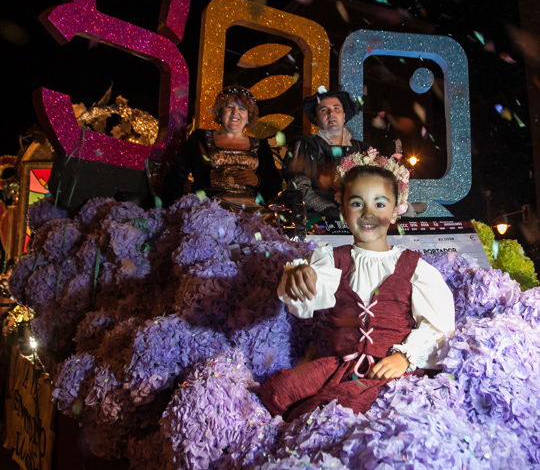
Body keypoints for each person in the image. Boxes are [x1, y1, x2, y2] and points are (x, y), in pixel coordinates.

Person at [259, 149, 455, 421]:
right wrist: (300, 277)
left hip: (389, 371)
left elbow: (439, 327)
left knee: (337, 407)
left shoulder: (415, 268)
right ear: (342, 210)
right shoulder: (331, 258)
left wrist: (406, 357)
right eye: (357, 204)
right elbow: (311, 294)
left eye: (379, 204)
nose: (368, 214)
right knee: (277, 392)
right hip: (339, 365)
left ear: (396, 211)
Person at [161, 86, 283, 219]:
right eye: (229, 106)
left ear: (249, 115)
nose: (235, 112)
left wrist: (256, 181)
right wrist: (171, 212)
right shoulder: (200, 138)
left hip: (249, 213)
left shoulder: (261, 146)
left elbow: (275, 186)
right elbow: (176, 177)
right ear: (220, 111)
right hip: (208, 211)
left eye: (242, 109)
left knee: (268, 226)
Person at [281, 88, 371, 219]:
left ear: (344, 116)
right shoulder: (305, 145)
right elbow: (298, 187)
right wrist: (330, 208)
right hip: (317, 221)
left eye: (336, 109)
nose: (331, 114)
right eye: (324, 110)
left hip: (358, 218)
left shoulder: (362, 149)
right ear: (317, 119)